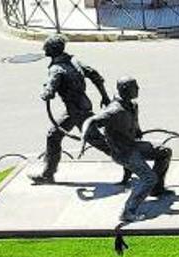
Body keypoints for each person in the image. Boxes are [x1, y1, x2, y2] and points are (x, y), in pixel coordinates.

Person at [79, 77, 173, 222]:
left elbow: (134, 122)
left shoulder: (132, 105)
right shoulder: (114, 110)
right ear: (124, 90)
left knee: (164, 152)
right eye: (135, 87)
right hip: (124, 153)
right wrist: (84, 136)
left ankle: (156, 189)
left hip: (133, 146)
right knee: (149, 178)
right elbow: (91, 121)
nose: (138, 89)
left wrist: (138, 130)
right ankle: (128, 212)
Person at [31, 34, 120, 184]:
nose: (44, 49)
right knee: (53, 135)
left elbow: (51, 89)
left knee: (100, 143)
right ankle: (48, 173)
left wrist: (46, 93)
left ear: (52, 50)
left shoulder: (56, 69)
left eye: (46, 47)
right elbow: (95, 75)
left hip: (78, 112)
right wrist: (104, 96)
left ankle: (133, 163)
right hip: (76, 108)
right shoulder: (74, 61)